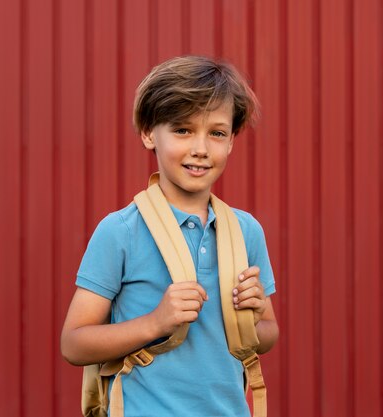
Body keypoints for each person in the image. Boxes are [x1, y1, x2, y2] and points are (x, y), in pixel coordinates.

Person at [60, 55, 279, 417]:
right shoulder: (121, 231)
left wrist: (255, 317)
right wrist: (155, 322)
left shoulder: (245, 231)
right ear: (149, 133)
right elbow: (74, 344)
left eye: (217, 133)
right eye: (182, 130)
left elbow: (267, 337)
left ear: (231, 142)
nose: (201, 148)